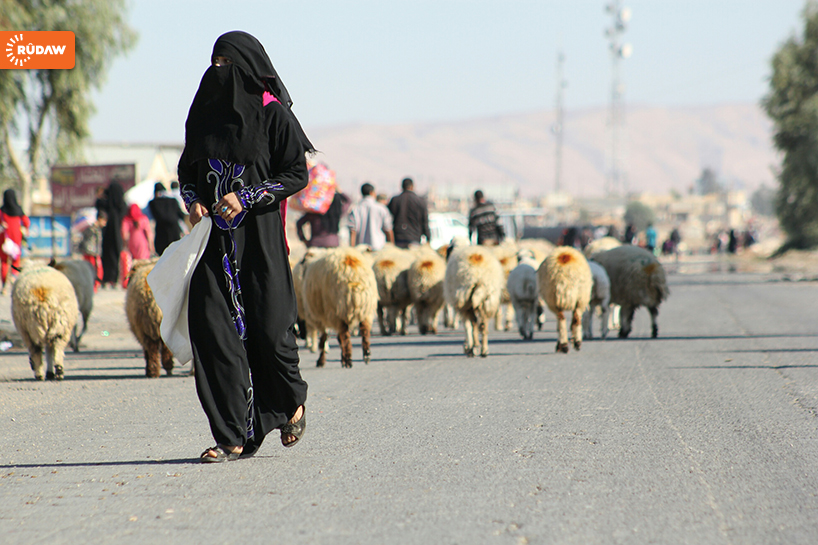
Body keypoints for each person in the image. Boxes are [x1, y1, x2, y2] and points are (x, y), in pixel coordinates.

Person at [178, 31, 313, 462]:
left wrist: (248, 196)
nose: (218, 72)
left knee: (271, 333)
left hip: (260, 243)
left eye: (227, 64)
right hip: (213, 245)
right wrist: (193, 200)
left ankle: (291, 405)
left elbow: (296, 173)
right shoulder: (203, 113)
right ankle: (232, 435)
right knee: (214, 336)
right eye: (214, 63)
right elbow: (187, 171)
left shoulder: (272, 114)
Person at [96, 181, 128, 288]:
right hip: (117, 235)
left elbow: (99, 203)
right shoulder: (121, 206)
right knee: (116, 257)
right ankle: (114, 279)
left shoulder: (104, 204)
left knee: (106, 257)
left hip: (106, 236)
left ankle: (106, 279)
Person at [0, 189, 30, 295]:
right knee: (16, 261)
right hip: (16, 239)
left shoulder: (2, 211)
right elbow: (27, 222)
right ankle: (14, 278)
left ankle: (4, 285)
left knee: (4, 262)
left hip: (4, 240)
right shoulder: (19, 210)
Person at [348, 182, 394, 250]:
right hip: (379, 247)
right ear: (371, 192)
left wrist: (352, 249)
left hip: (361, 249)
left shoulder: (355, 209)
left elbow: (353, 231)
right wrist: (391, 247)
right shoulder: (381, 208)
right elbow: (388, 229)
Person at [387, 177, 430, 248]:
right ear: (412, 186)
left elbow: (388, 221)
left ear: (401, 187)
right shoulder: (420, 201)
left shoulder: (394, 200)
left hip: (398, 239)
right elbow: (425, 222)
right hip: (414, 239)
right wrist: (428, 238)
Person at [148, 182, 186, 255]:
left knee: (164, 253)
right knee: (176, 251)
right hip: (174, 228)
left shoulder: (153, 203)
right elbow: (181, 214)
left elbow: (152, 217)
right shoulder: (173, 200)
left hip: (161, 230)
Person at [79, 211, 106, 292]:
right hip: (92, 253)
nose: (105, 223)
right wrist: (97, 253)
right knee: (94, 270)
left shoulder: (93, 229)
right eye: (104, 221)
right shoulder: (93, 229)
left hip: (91, 252)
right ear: (99, 219)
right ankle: (93, 286)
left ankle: (93, 286)